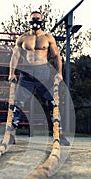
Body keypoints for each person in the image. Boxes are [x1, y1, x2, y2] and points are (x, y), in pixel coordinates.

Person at [7, 10, 70, 145]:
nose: (35, 21)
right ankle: (11, 135)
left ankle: (59, 134)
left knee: (53, 103)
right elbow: (15, 56)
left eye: (38, 19)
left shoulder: (48, 38)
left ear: (41, 21)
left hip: (44, 72)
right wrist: (11, 73)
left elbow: (56, 56)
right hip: (27, 73)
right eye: (33, 19)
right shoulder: (22, 38)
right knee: (18, 103)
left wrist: (59, 73)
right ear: (29, 21)